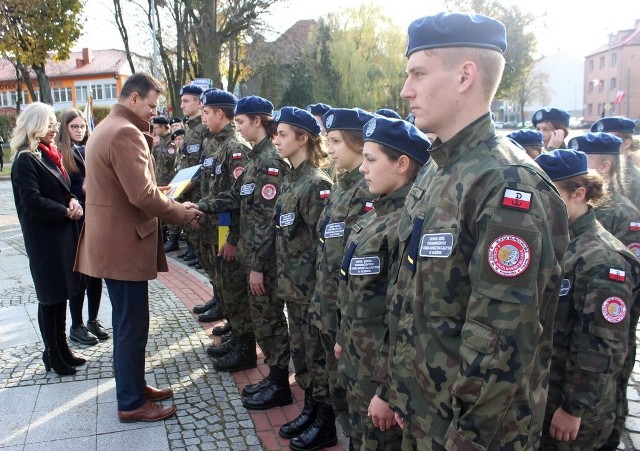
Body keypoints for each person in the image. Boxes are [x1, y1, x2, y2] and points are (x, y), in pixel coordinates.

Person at [386, 12, 570, 448]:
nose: (405, 89)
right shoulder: (439, 167)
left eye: (418, 73)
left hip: (470, 433)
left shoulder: (506, 184)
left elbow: (502, 340)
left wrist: (467, 437)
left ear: (465, 75)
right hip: (425, 412)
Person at [74, 72, 202, 423]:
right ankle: (131, 402)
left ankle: (134, 385)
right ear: (133, 99)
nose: (152, 112)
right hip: (122, 246)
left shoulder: (106, 126)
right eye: (150, 105)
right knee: (132, 326)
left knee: (128, 322)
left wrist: (162, 193)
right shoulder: (127, 133)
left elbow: (127, 187)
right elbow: (141, 195)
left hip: (111, 242)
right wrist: (179, 211)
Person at [534, 149, 640, 449]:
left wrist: (574, 407)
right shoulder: (557, 239)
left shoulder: (603, 260)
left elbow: (602, 345)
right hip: (545, 393)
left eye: (547, 194)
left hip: (573, 413)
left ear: (579, 193)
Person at [336, 116, 430, 450]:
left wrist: (388, 392)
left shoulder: (406, 225)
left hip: (380, 373)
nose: (363, 168)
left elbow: (407, 314)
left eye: (371, 159)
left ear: (402, 163)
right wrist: (342, 337)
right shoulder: (377, 214)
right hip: (359, 359)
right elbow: (355, 291)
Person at [198, 96, 292, 404]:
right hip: (253, 253)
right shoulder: (257, 157)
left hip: (263, 259)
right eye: (235, 122)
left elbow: (268, 221)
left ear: (258, 121)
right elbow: (240, 201)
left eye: (241, 122)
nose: (238, 127)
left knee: (270, 319)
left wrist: (257, 265)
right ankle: (273, 377)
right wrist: (198, 206)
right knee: (262, 318)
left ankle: (280, 383)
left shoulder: (269, 162)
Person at [303, 107, 375, 442]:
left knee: (347, 385)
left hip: (346, 310)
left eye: (336, 141)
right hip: (327, 301)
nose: (328, 148)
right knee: (330, 377)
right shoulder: (342, 184)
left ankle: (335, 428)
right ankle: (326, 420)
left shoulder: (368, 190)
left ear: (359, 144)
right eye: (328, 140)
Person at [272, 107, 336, 451]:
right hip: (293, 289)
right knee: (303, 355)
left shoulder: (316, 185)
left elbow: (322, 246)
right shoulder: (292, 178)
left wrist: (318, 295)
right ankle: (310, 407)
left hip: (311, 292)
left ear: (303, 138)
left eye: (283, 134)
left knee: (317, 355)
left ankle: (325, 421)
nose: (277, 140)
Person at [10, 102, 86, 376]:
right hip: (44, 240)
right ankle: (52, 353)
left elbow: (58, 189)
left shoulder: (47, 155)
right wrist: (66, 211)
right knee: (50, 297)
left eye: (55, 122)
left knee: (62, 294)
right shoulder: (25, 159)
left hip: (61, 235)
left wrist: (73, 200)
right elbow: (32, 201)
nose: (55, 127)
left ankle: (62, 348)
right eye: (50, 122)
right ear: (36, 125)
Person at [195, 88, 254, 372]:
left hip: (228, 227)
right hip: (217, 225)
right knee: (226, 286)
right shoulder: (217, 143)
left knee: (233, 288)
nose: (202, 117)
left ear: (220, 113)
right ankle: (237, 333)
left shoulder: (235, 146)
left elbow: (239, 198)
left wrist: (232, 237)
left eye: (206, 112)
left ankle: (246, 348)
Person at [56, 109, 107, 345]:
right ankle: (76, 324)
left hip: (95, 217)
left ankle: (92, 320)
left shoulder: (87, 150)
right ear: (65, 129)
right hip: (76, 220)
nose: (79, 131)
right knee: (80, 274)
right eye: (74, 127)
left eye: (82, 127)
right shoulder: (61, 153)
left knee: (96, 274)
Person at [570, 132, 640, 255]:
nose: (574, 167)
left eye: (582, 161)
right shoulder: (574, 202)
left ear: (604, 166)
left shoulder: (625, 214)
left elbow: (630, 266)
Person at [591, 116, 640, 210]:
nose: (600, 146)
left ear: (627, 143)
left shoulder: (635, 181)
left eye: (608, 140)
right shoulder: (594, 173)